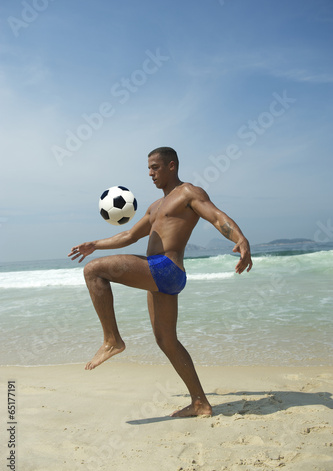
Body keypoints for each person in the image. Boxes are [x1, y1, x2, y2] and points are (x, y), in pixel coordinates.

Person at [68, 147, 252, 417]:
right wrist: (95, 244)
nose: (151, 173)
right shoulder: (155, 207)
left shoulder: (189, 193)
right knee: (166, 340)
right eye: (148, 169)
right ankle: (200, 402)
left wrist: (240, 239)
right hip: (160, 276)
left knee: (93, 271)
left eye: (155, 167)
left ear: (171, 166)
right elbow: (130, 235)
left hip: (166, 268)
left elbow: (216, 217)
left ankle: (112, 340)